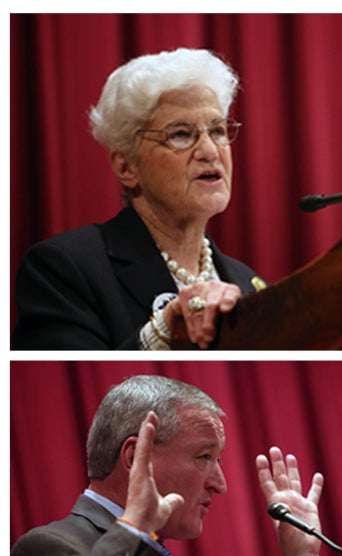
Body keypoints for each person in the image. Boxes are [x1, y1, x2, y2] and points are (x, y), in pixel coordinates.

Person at [10, 375, 328, 556]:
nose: (220, 483)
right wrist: (133, 532)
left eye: (218, 460)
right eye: (204, 457)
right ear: (137, 460)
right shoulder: (52, 547)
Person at [13, 48, 267, 350]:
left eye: (218, 130)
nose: (211, 151)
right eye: (181, 134)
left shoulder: (248, 284)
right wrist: (163, 330)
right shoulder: (66, 268)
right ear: (126, 166)